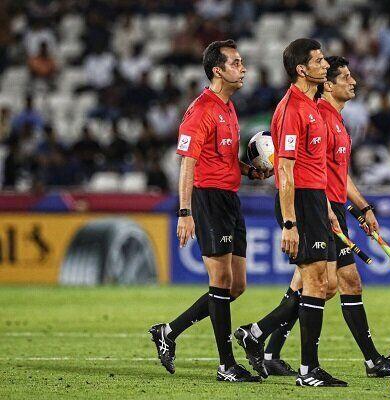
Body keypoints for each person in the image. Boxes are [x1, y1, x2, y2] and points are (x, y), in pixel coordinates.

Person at [262, 56, 390, 379]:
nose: (353, 81)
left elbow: (339, 174)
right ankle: (261, 337)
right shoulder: (319, 115)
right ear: (329, 85)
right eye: (345, 77)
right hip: (319, 206)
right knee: (323, 284)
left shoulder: (336, 120)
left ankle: (267, 347)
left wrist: (363, 207)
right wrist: (326, 210)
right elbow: (309, 171)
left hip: (332, 206)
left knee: (329, 283)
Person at [148, 39, 267, 383]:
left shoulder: (228, 107)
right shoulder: (200, 110)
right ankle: (227, 365)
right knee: (220, 281)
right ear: (218, 70)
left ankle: (168, 331)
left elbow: (224, 158)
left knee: (236, 285)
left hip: (230, 197)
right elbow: (188, 162)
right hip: (207, 198)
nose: (243, 68)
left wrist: (249, 170)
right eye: (236, 63)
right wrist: (185, 212)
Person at [233, 38, 348, 387]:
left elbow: (315, 167)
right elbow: (284, 169)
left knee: (325, 284)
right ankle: (308, 370)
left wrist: (326, 208)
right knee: (315, 282)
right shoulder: (291, 109)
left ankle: (257, 333)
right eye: (319, 60)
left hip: (315, 201)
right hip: (298, 203)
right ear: (301, 69)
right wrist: (289, 223)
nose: (325, 65)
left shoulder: (312, 105)